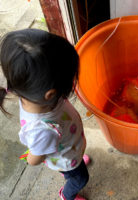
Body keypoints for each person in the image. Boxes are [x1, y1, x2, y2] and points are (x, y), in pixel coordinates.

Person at [0, 29, 90, 200]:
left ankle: (72, 166)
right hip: (65, 157)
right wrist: (34, 154)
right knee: (80, 179)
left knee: (73, 169)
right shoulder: (42, 130)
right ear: (50, 93)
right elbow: (33, 159)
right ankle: (67, 194)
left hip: (70, 147)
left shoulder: (31, 94)